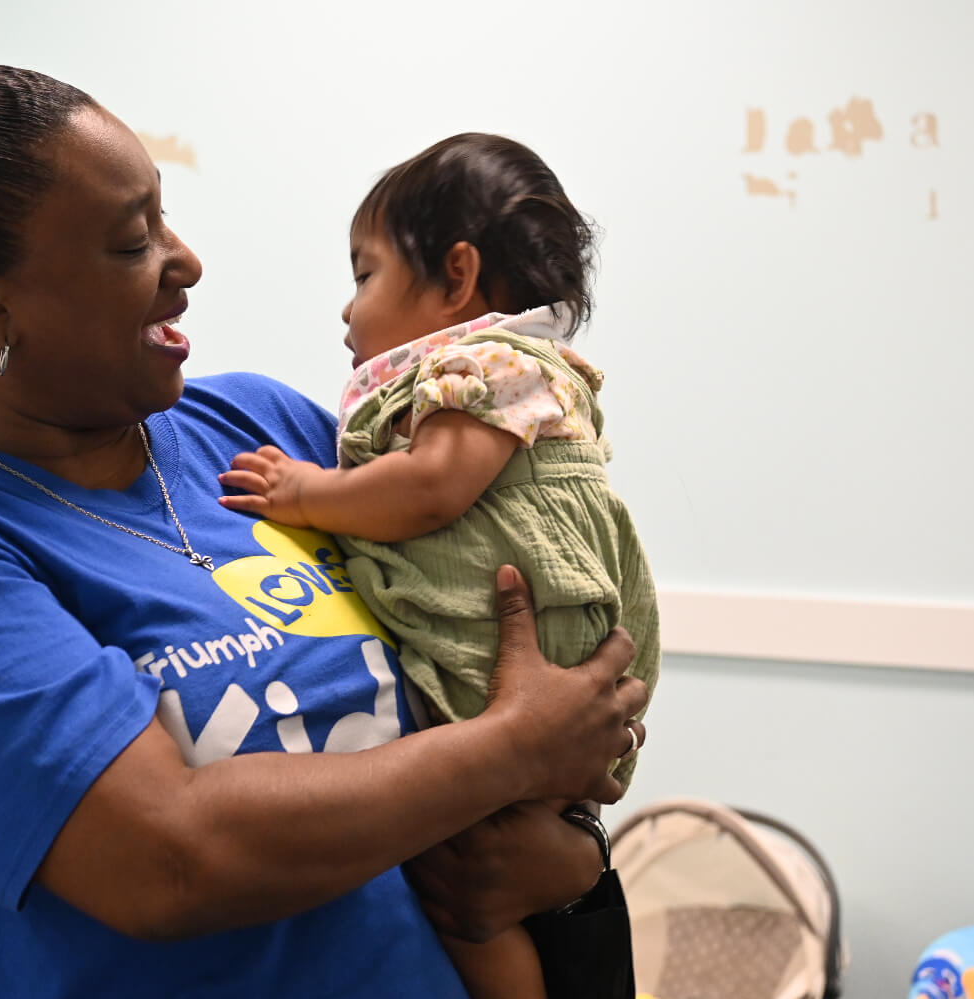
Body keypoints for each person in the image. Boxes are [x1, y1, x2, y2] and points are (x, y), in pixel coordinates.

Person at [0, 57, 648, 998]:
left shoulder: (265, 430)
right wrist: (510, 754)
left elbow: (505, 661)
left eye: (163, 216)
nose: (186, 261)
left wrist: (565, 851)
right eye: (132, 243)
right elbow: (169, 858)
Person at [220, 133, 660, 997]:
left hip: (507, 667)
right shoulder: (507, 374)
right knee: (480, 898)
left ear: (457, 277)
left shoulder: (485, 366)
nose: (347, 312)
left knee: (469, 894)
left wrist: (307, 493)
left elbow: (428, 490)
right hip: (535, 676)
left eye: (365, 275)